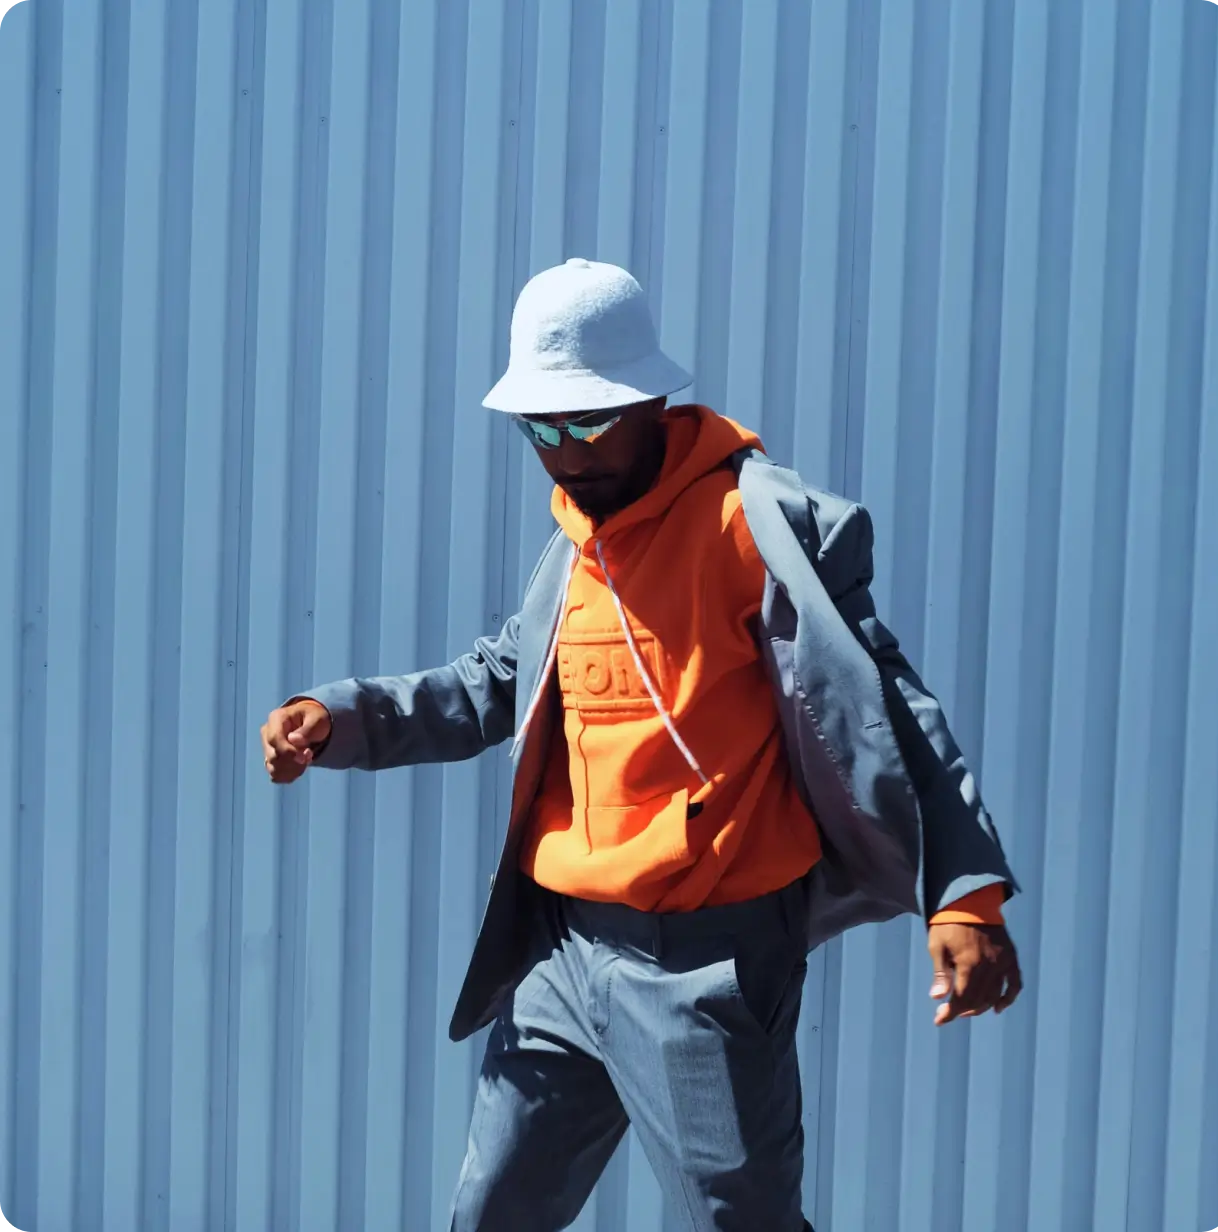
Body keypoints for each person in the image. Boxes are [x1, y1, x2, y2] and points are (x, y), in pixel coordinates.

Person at [260, 259, 1022, 1231]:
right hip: (563, 957)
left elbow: (883, 704)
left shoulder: (748, 528)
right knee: (489, 1216)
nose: (564, 453)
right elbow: (498, 679)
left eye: (586, 422)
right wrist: (338, 716)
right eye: (541, 429)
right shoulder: (579, 546)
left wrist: (965, 893)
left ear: (652, 400)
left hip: (704, 968)